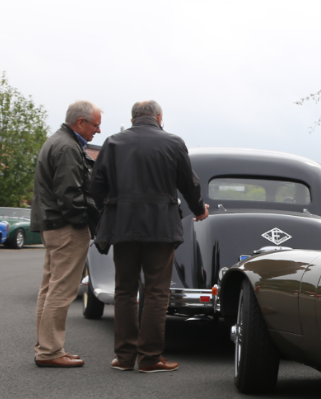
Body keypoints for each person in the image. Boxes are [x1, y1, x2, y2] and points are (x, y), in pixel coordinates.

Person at [91, 100, 209, 373]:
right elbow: (188, 183)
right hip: (161, 227)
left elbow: (96, 184)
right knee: (156, 292)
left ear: (133, 119)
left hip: (122, 226)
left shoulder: (113, 142)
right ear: (159, 117)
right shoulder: (173, 143)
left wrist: (109, 207)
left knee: (124, 290)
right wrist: (198, 209)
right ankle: (150, 358)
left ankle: (124, 357)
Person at [31, 100, 103, 368]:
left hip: (52, 224)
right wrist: (83, 223)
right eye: (95, 125)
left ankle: (47, 347)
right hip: (66, 227)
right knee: (62, 289)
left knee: (49, 288)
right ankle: (50, 351)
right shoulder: (68, 147)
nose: (98, 130)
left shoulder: (57, 141)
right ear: (80, 122)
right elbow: (70, 194)